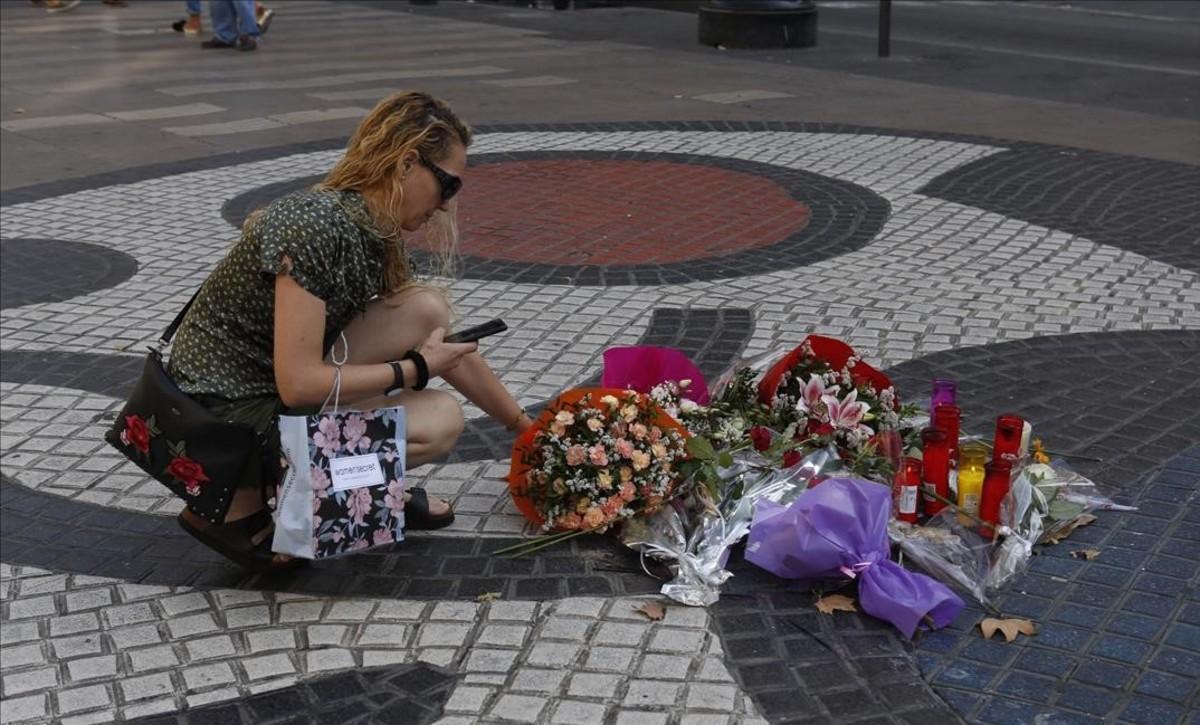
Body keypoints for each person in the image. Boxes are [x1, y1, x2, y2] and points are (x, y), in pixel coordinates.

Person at [166, 91, 533, 569]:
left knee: (425, 309)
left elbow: (442, 342)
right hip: (220, 414)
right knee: (439, 420)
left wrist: (527, 431)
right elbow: (298, 384)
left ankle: (361, 486)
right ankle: (238, 497)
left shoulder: (370, 229)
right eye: (448, 186)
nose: (445, 207)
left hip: (258, 387)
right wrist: (415, 368)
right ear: (405, 164)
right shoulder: (315, 226)